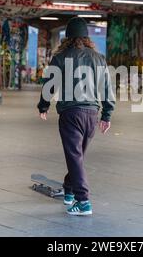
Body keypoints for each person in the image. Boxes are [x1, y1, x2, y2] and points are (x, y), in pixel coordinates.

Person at [37, 17, 115, 216]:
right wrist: (107, 115)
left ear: (67, 37)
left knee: (74, 157)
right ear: (87, 37)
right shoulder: (98, 58)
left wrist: (43, 106)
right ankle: (69, 191)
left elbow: (49, 85)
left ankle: (83, 201)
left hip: (71, 113)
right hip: (91, 114)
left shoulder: (61, 57)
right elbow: (107, 88)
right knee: (77, 157)